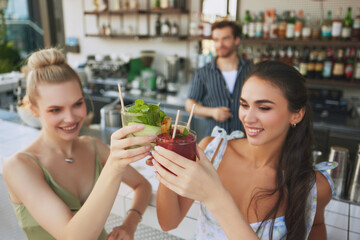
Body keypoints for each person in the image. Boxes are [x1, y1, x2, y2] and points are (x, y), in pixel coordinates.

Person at [152, 61, 335, 239]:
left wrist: (215, 196)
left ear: (296, 114)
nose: (248, 118)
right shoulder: (212, 151)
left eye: (264, 107)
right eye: (244, 105)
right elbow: (169, 222)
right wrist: (167, 165)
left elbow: (316, 224)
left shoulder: (314, 186)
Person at [3, 48, 153, 240]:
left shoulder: (93, 147)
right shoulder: (19, 167)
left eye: (77, 104)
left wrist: (129, 225)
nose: (70, 118)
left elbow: (143, 185)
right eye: (55, 110)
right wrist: (114, 166)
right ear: (33, 109)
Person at [186, 20, 252, 136]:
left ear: (236, 40)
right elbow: (189, 104)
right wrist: (213, 112)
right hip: (214, 143)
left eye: (225, 38)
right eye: (216, 40)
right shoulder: (203, 72)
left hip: (246, 140)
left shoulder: (251, 69)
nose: (220, 44)